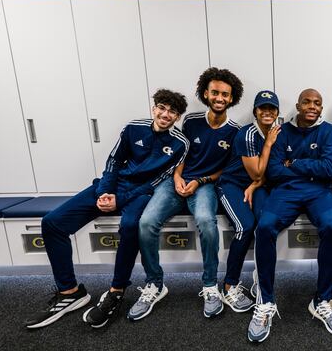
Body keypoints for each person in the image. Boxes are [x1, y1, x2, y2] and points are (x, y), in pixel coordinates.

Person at [25, 89, 189, 329]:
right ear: (154, 108)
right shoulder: (134, 128)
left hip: (140, 194)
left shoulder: (179, 143)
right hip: (112, 185)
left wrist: (120, 200)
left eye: (172, 112)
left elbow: (155, 181)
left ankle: (116, 290)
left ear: (177, 117)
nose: (166, 114)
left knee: (132, 225)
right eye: (162, 108)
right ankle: (70, 292)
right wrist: (104, 192)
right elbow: (114, 161)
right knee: (52, 222)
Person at [131, 68, 242, 320]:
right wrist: (179, 177)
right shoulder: (191, 121)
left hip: (205, 184)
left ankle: (210, 285)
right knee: (146, 222)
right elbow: (179, 152)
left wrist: (199, 181)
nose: (219, 98)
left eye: (225, 94)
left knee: (206, 221)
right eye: (215, 92)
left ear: (232, 98)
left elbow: (226, 169)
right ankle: (154, 284)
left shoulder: (235, 130)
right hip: (176, 180)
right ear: (206, 93)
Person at [248, 88, 332, 342]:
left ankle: (324, 299)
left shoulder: (328, 131)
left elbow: (327, 169)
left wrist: (295, 164)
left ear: (321, 108)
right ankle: (266, 302)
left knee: (330, 227)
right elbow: (274, 171)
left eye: (317, 103)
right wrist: (303, 169)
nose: (312, 106)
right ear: (298, 105)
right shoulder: (281, 131)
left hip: (318, 191)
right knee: (265, 227)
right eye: (307, 102)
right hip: (286, 191)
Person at [215, 90, 281, 313]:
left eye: (271, 108)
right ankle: (229, 285)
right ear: (255, 111)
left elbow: (278, 168)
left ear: (277, 112)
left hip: (257, 186)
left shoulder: (278, 132)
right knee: (245, 227)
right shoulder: (248, 134)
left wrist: (255, 185)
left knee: (264, 225)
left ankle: (259, 277)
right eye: (262, 108)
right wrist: (269, 144)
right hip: (232, 185)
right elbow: (257, 173)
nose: (267, 112)